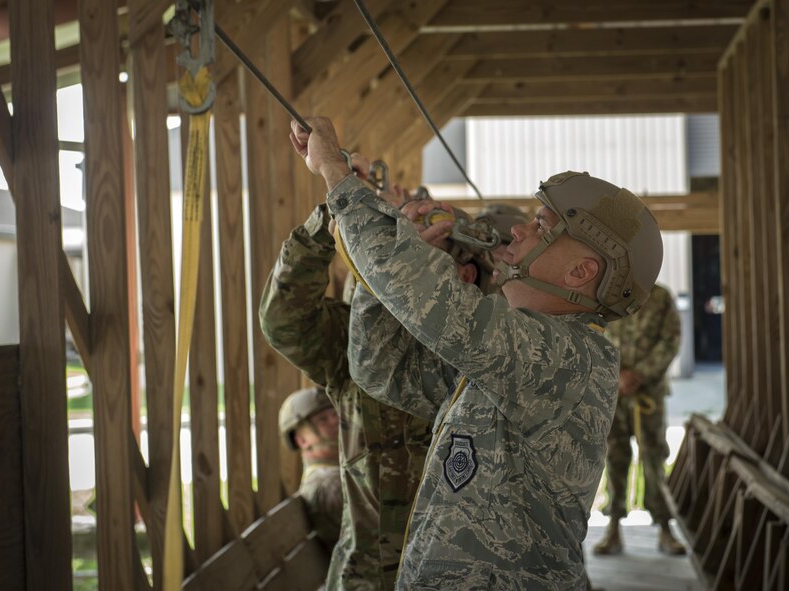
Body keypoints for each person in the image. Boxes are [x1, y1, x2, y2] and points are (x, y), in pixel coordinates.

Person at [288, 116, 663, 590]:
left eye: (541, 224)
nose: (520, 233)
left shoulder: (565, 358)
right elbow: (383, 370)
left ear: (580, 271)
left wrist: (337, 178)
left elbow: (425, 296)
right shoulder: (524, 357)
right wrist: (376, 286)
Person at [260, 154, 433, 590]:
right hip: (372, 576)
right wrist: (335, 212)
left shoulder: (469, 332)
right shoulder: (348, 341)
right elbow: (283, 319)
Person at [593, 283, 686, 556]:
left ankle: (665, 529)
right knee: (614, 459)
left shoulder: (659, 297)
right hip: (614, 393)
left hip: (648, 395)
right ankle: (613, 528)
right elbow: (594, 336)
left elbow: (671, 339)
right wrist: (618, 376)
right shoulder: (605, 295)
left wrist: (640, 374)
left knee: (653, 458)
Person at [279, 387, 343, 551]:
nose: (335, 420)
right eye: (323, 420)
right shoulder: (327, 485)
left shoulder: (338, 475)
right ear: (302, 441)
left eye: (334, 414)